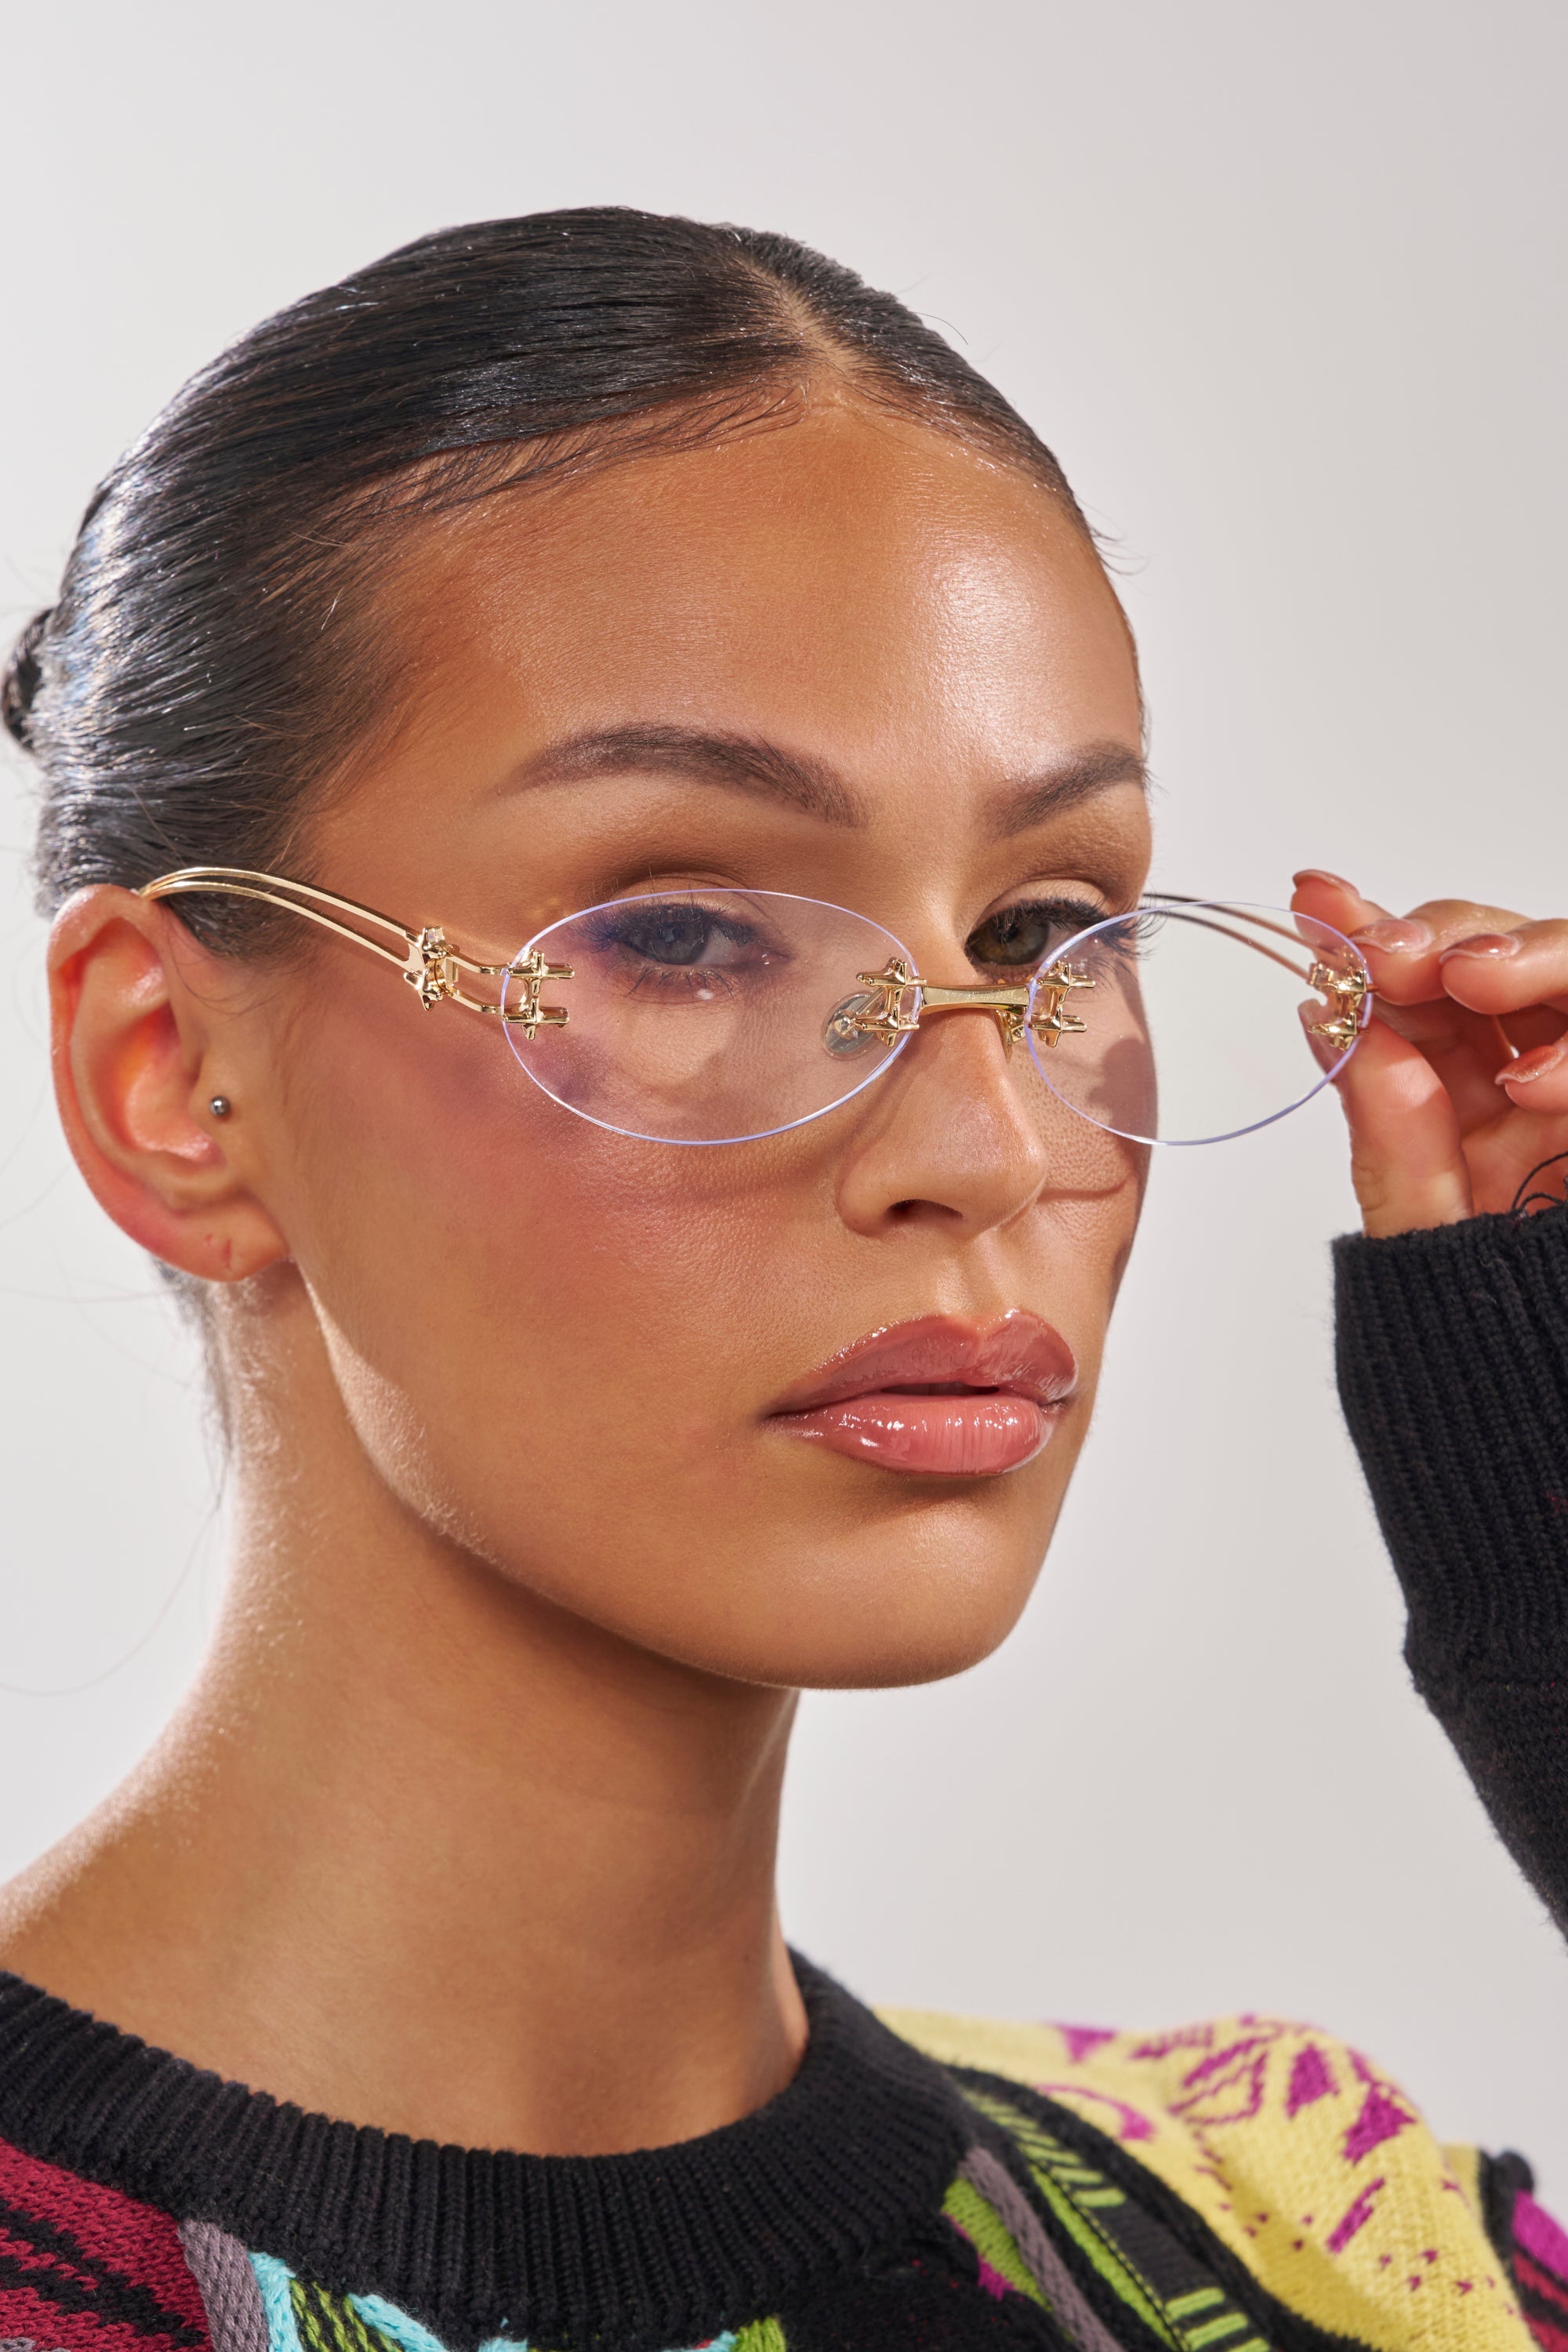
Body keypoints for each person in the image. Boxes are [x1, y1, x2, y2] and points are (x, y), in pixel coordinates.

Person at [1, 208, 1564, 2352]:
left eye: (1037, 934)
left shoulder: (1320, 2237)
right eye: (684, 933)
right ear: (172, 1077)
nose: (991, 1145)